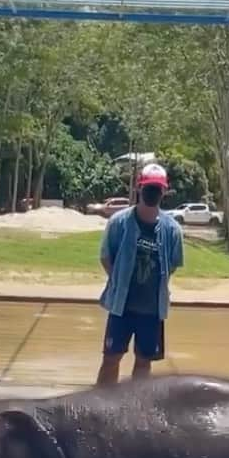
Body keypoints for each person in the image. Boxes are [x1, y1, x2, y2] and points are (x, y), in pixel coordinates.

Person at [96, 162, 184, 386]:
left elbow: (173, 264)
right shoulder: (119, 223)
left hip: (152, 311)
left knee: (144, 363)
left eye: (157, 188)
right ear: (139, 188)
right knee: (111, 359)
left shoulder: (172, 229)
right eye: (148, 187)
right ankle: (100, 409)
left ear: (164, 191)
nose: (152, 192)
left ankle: (135, 411)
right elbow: (106, 256)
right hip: (121, 307)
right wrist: (118, 281)